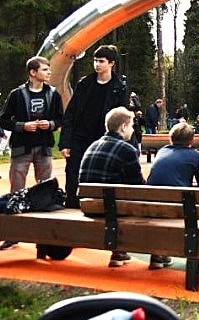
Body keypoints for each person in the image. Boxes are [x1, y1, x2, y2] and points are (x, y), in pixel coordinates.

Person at [0, 56, 65, 250]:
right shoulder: (16, 94)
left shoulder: (53, 94)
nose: (49, 72)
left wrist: (50, 124)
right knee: (16, 192)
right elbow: (3, 120)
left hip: (44, 147)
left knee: (46, 191)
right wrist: (22, 126)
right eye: (45, 69)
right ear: (33, 72)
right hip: (21, 148)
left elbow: (61, 119)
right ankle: (13, 235)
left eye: (48, 69)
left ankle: (44, 239)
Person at [59, 44, 130, 208]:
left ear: (111, 63)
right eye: (95, 61)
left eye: (101, 61)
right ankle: (72, 204)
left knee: (102, 173)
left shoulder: (119, 87)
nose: (97, 64)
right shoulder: (84, 84)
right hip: (80, 137)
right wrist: (65, 142)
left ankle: (99, 206)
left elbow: (121, 117)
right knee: (73, 172)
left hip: (103, 139)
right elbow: (70, 114)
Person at [79, 107, 144, 267]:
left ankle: (119, 252)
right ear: (123, 126)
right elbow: (138, 188)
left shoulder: (92, 145)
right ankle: (158, 254)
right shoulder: (127, 150)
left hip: (88, 206)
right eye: (131, 125)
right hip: (111, 210)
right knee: (151, 206)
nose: (133, 130)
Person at [145, 121, 199, 270]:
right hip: (178, 205)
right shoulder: (195, 156)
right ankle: (197, 253)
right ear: (192, 140)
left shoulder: (162, 151)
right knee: (196, 206)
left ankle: (158, 255)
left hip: (151, 202)